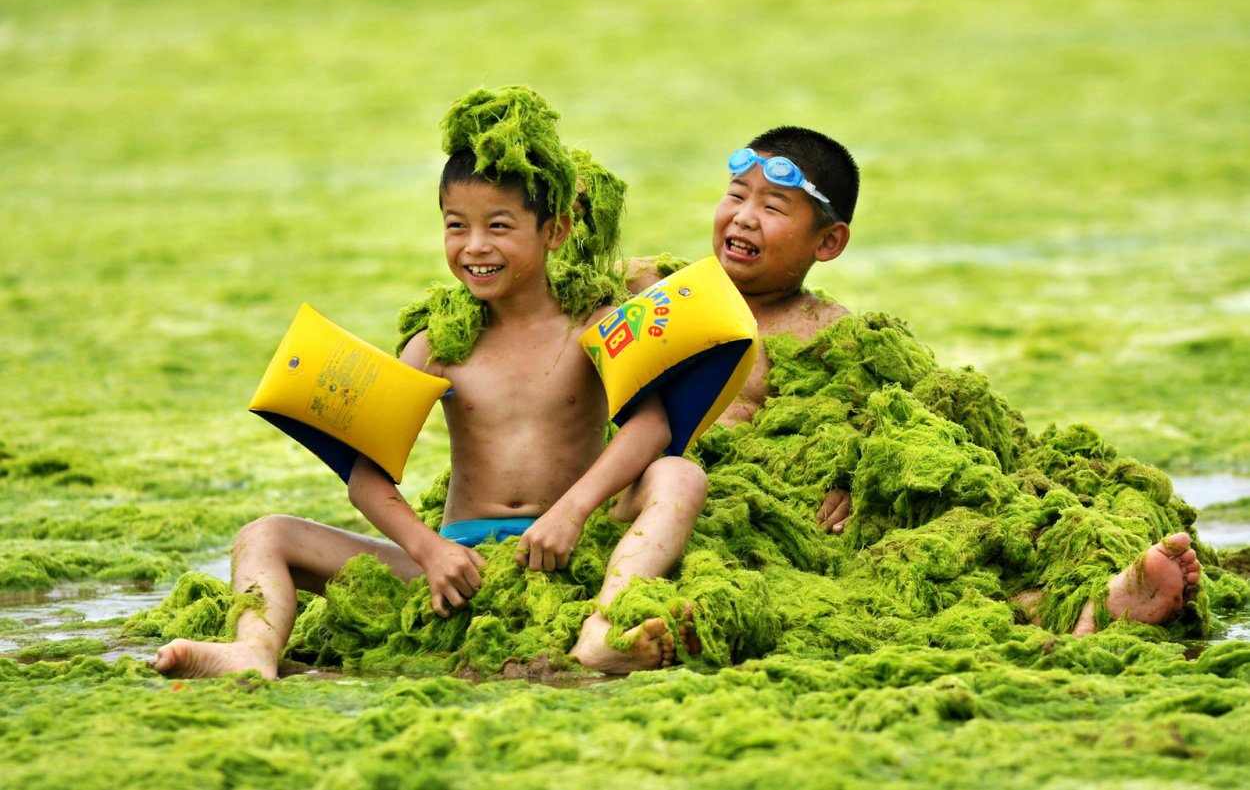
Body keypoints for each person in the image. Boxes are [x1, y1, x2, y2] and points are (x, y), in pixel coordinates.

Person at [153, 88, 706, 679]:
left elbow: (650, 428)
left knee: (679, 474)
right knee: (265, 534)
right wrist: (430, 550)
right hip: (456, 563)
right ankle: (254, 650)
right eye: (455, 226)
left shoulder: (592, 322)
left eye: (498, 226)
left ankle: (601, 625)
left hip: (569, 551)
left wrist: (571, 512)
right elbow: (366, 479)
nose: (474, 247)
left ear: (556, 230)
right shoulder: (439, 344)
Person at [628, 125, 1201, 636]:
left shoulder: (829, 331)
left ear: (828, 243)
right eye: (735, 196)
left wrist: (860, 479)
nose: (745, 216)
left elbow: (898, 424)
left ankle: (1081, 604)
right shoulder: (656, 288)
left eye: (774, 208)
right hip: (675, 498)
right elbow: (553, 294)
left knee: (925, 558)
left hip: (790, 515)